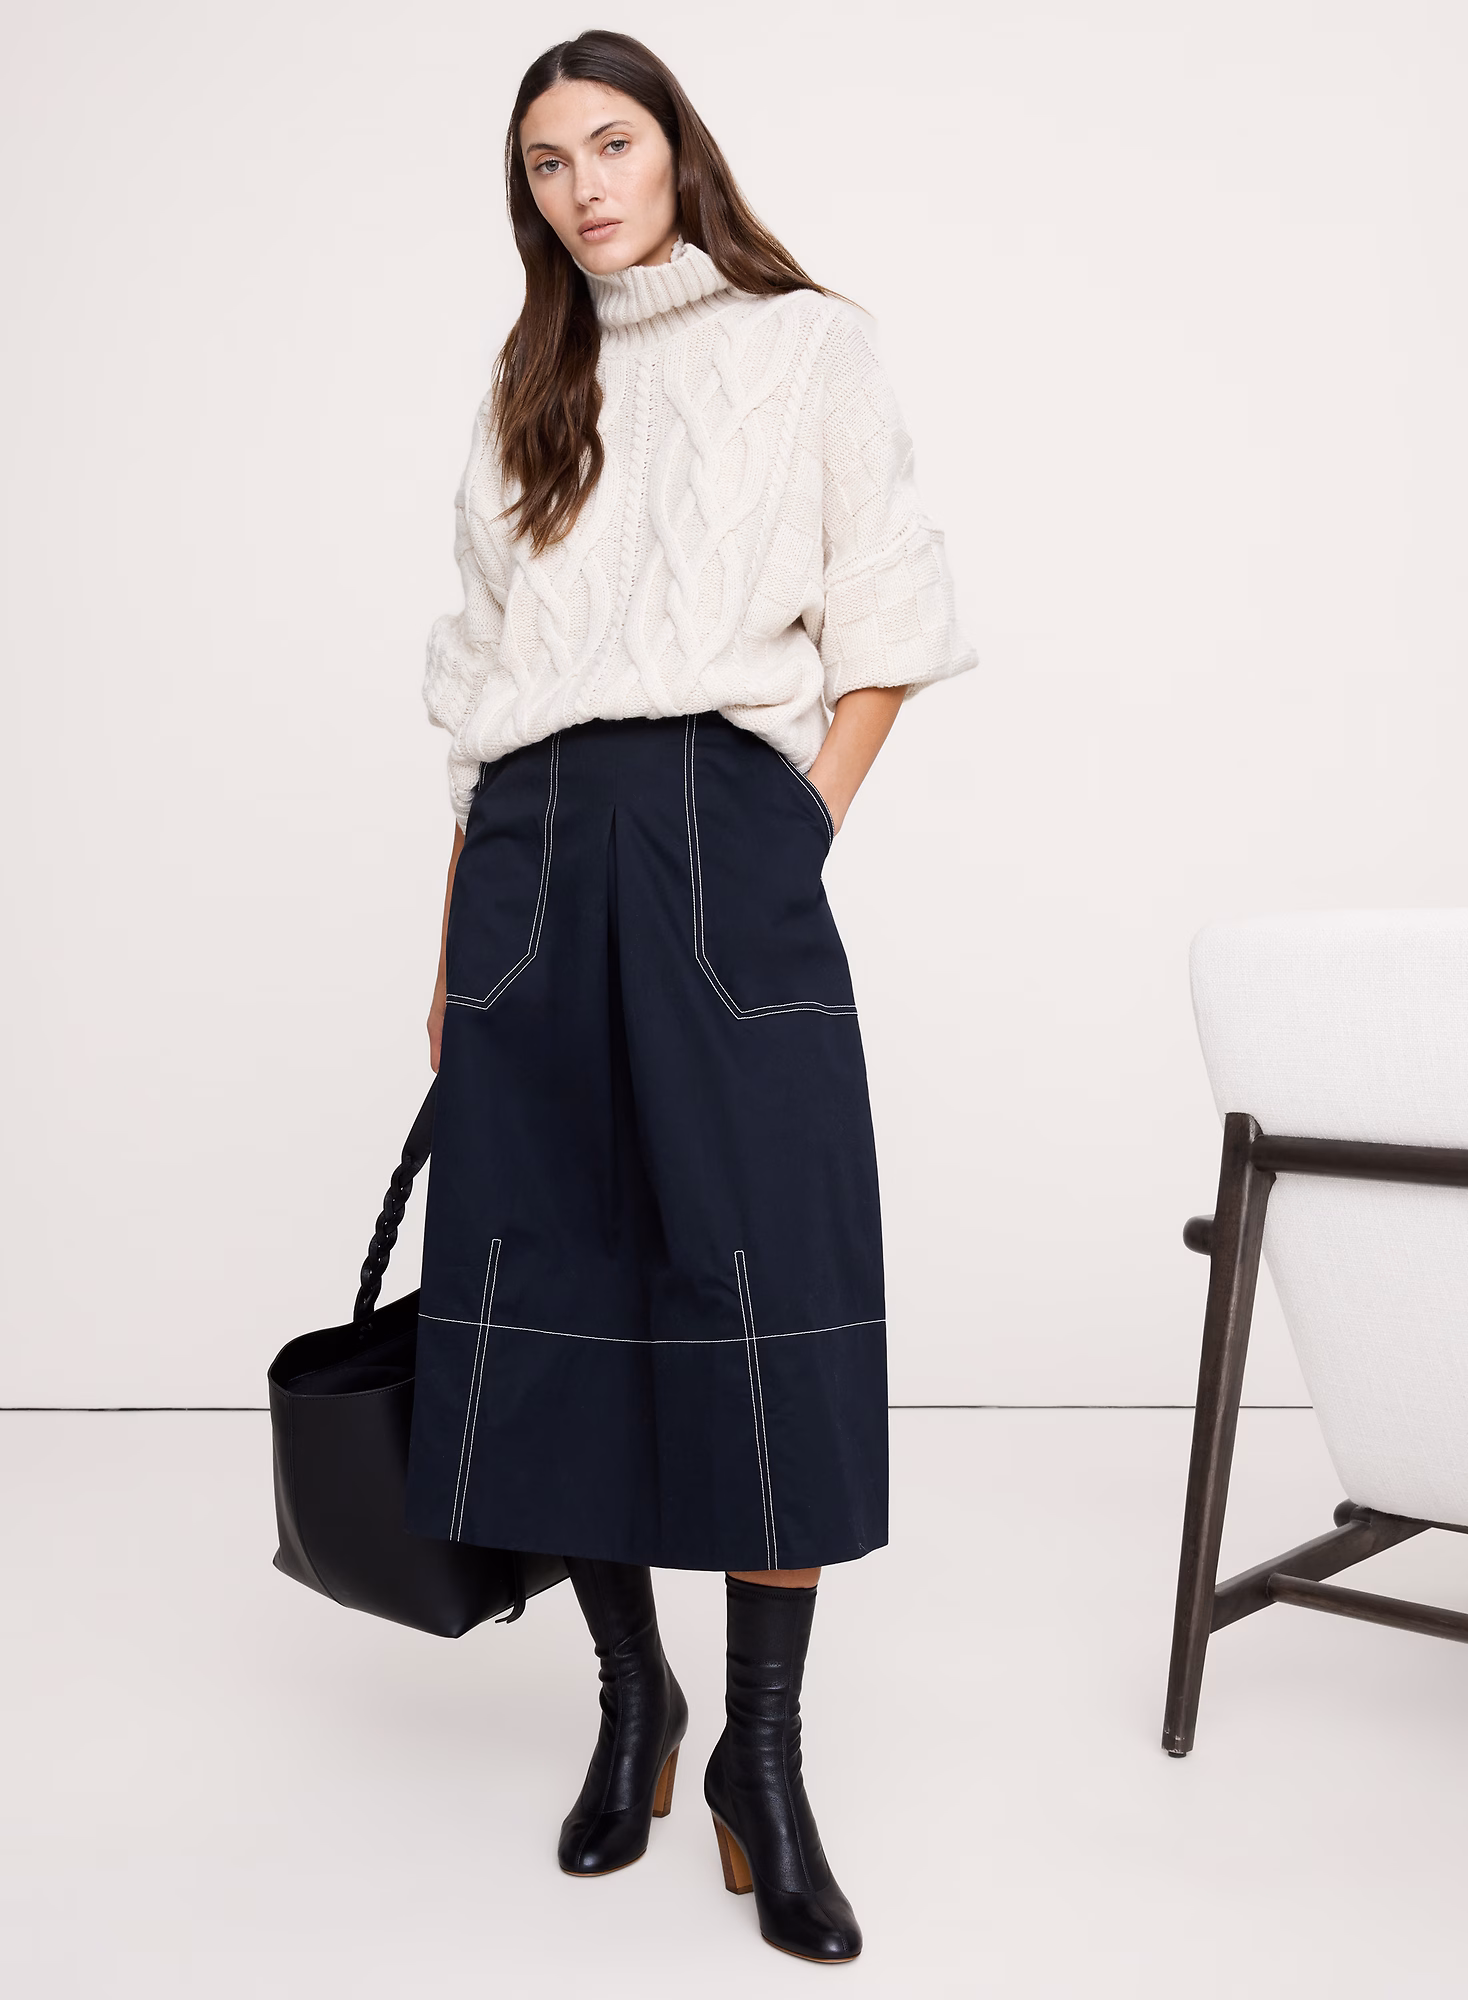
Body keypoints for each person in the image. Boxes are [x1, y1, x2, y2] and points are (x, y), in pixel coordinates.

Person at [406, 28, 974, 1964]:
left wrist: (791, 832)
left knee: (761, 1288)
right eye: (546, 161)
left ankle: (766, 1759)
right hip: (529, 851)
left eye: (611, 143)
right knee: (555, 1280)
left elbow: (887, 613)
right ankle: (630, 1701)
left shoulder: (805, 346)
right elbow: (478, 686)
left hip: (721, 833)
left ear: (675, 151)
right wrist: (451, 944)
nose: (583, 186)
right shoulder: (524, 385)